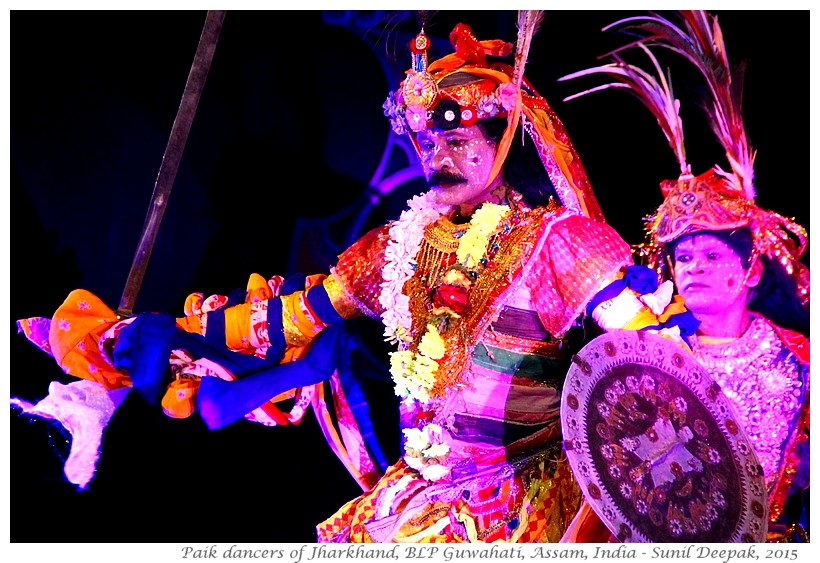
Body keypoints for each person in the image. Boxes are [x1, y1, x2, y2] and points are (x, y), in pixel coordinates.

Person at [14, 16, 693, 542]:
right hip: (425, 497)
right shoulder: (390, 248)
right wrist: (140, 338)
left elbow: (656, 360)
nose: (440, 157)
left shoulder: (559, 242)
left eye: (458, 141)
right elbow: (282, 321)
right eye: (428, 142)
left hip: (531, 503)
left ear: (503, 138)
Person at [560, 10, 810, 542]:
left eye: (710, 256)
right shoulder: (650, 355)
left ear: (749, 270)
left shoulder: (799, 360)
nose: (692, 267)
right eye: (683, 258)